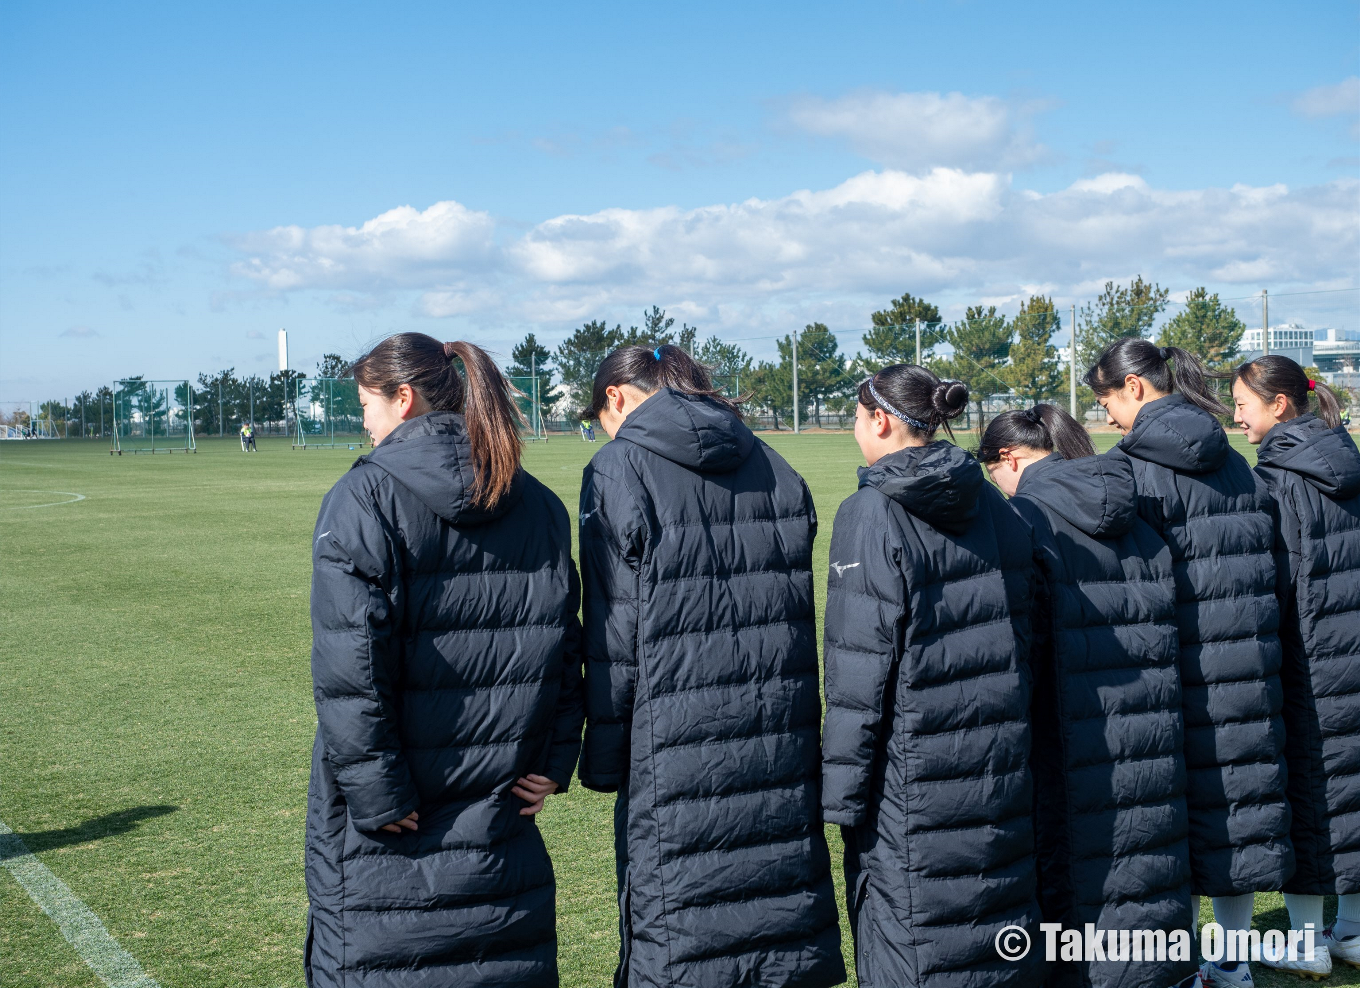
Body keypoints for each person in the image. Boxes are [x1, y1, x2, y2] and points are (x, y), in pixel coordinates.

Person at [305, 334, 584, 988]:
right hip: (497, 811)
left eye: (366, 405)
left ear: (403, 399)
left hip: (398, 829)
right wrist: (554, 757)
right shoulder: (538, 501)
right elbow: (567, 643)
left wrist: (376, 792)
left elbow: (350, 670)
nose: (364, 422)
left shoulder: (364, 499)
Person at [577, 344, 844, 988]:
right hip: (779, 734)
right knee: (778, 917)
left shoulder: (619, 469)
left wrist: (605, 759)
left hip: (672, 744)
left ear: (617, 396)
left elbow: (616, 631)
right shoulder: (776, 465)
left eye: (597, 417)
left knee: (678, 931)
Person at [821, 364, 1043, 988]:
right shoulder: (998, 506)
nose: (855, 431)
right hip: (998, 757)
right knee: (994, 922)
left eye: (858, 418)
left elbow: (858, 671)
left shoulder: (870, 512)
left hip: (910, 773)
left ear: (882, 420)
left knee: (913, 931)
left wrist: (840, 797)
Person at [1086, 338, 1292, 988]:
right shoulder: (1235, 463)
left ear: (1136, 388)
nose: (1107, 415)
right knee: (1237, 810)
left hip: (1172, 668)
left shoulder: (1132, 468)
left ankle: (1184, 961)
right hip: (1249, 665)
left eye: (1107, 400)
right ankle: (1232, 963)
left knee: (1167, 817)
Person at [979, 404, 1195, 988]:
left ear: (1011, 459)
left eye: (993, 475)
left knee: (1080, 863)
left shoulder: (1028, 516)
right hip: (1152, 721)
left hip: (1072, 725)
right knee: (1149, 850)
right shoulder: (1140, 512)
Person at [1232, 356, 1360, 979]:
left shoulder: (1279, 478)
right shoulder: (1348, 462)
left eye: (1243, 404)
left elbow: (1273, 578)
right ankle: (1353, 932)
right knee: (1353, 790)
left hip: (1307, 659)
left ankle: (1307, 940)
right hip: (1352, 650)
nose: (1236, 416)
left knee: (1309, 794)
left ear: (1279, 405)